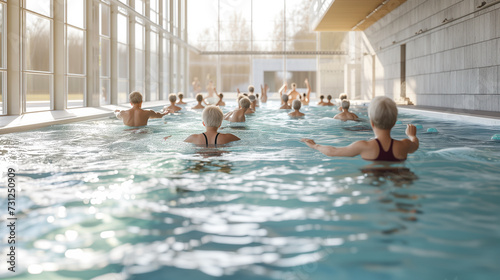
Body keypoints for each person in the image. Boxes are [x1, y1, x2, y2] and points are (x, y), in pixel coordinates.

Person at [301, 96, 419, 162]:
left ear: (372, 122)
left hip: (374, 182)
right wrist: (412, 136)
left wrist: (315, 145)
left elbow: (333, 152)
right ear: (394, 122)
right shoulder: (404, 145)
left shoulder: (364, 146)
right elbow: (415, 146)